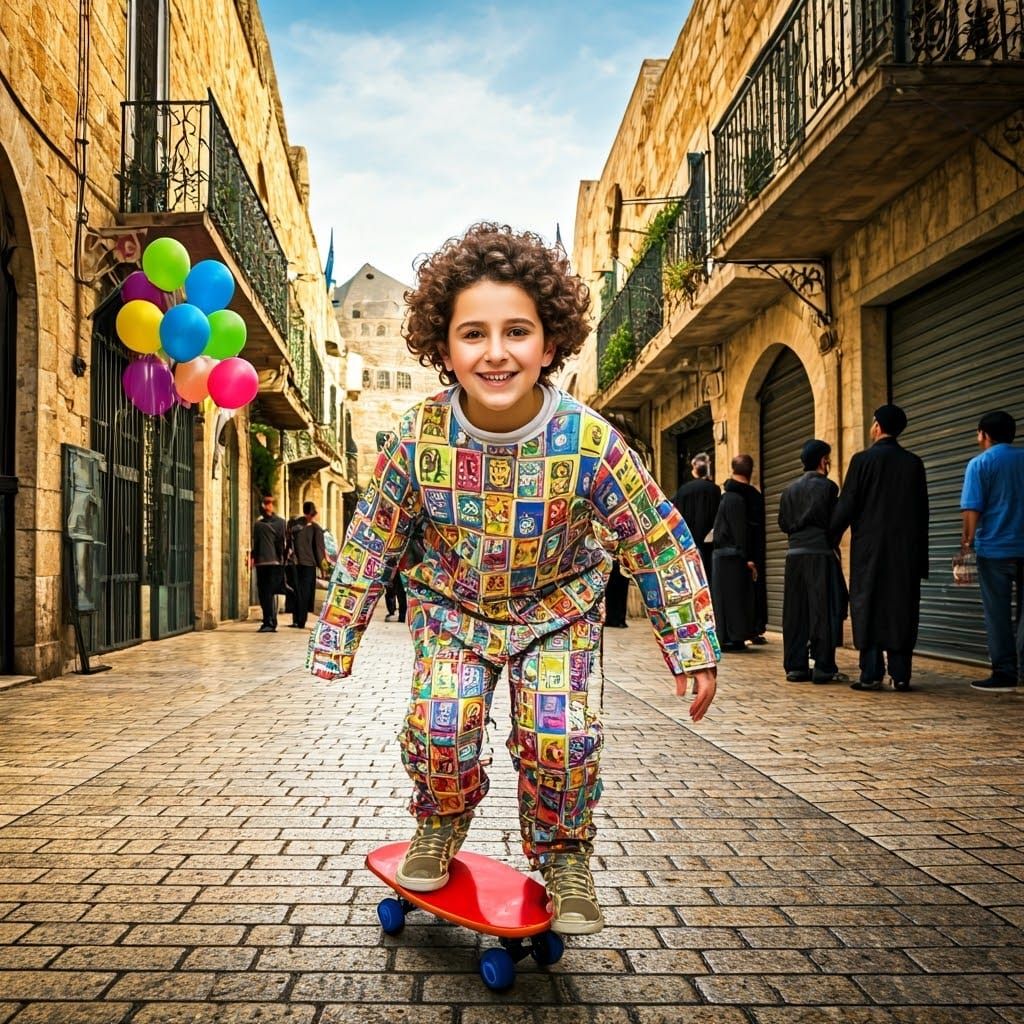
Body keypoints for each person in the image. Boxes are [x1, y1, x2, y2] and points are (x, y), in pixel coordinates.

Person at [307, 223, 720, 936]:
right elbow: (373, 536)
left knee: (561, 736)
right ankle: (439, 822)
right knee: (442, 726)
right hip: (452, 612)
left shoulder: (592, 442)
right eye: (473, 334)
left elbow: (654, 536)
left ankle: (564, 856)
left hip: (557, 611)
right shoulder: (415, 439)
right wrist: (336, 636)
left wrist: (692, 644)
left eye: (517, 332)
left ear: (551, 342)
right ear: (442, 347)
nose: (495, 352)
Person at [831, 404, 928, 692]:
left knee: (868, 605)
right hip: (905, 552)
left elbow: (847, 504)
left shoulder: (862, 460)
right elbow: (923, 513)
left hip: (869, 551)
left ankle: (871, 673)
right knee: (901, 608)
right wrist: (920, 559)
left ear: (877, 426)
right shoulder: (913, 463)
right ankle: (901, 674)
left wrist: (830, 538)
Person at [960, 410, 1024, 693]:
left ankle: (1005, 672)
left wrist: (967, 543)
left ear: (984, 434)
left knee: (997, 612)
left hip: (994, 550)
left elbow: (972, 507)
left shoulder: (980, 464)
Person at [777, 440, 848, 683]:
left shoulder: (788, 490)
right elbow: (836, 522)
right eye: (827, 458)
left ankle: (795, 667)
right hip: (820, 555)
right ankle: (823, 667)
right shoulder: (829, 488)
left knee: (795, 612)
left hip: (793, 556)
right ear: (822, 461)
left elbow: (783, 523)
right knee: (823, 610)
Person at [711, 454, 759, 651]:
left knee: (723, 599)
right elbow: (739, 530)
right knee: (734, 599)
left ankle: (726, 637)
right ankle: (733, 638)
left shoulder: (726, 497)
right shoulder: (736, 500)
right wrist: (748, 558)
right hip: (732, 556)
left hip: (722, 555)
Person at [671, 452, 720, 585]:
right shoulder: (715, 490)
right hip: (710, 547)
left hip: (688, 546)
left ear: (694, 470)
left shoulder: (683, 491)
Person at [252, 494, 287, 633]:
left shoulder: (280, 523)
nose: (267, 506)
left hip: (273, 563)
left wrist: (281, 560)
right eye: (265, 503)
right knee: (263, 593)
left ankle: (270, 621)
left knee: (270, 592)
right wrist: (253, 558)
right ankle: (268, 620)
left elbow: (281, 542)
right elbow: (256, 543)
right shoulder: (258, 524)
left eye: (270, 503)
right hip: (261, 563)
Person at [292, 501, 327, 630]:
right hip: (308, 565)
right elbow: (319, 550)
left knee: (297, 591)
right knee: (305, 593)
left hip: (296, 563)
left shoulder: (295, 525)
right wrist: (323, 568)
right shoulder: (316, 528)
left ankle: (297, 619)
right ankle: (300, 620)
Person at [604, 559, 630, 627]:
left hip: (623, 566)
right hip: (612, 566)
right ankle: (610, 620)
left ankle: (620, 620)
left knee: (621, 596)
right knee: (610, 596)